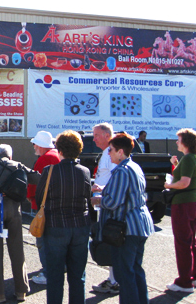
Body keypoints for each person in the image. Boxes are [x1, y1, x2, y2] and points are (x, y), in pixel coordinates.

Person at [92, 133, 154, 304]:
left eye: (111, 150)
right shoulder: (134, 166)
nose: (109, 153)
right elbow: (127, 191)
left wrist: (98, 199)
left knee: (124, 273)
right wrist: (104, 188)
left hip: (126, 228)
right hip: (139, 225)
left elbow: (113, 201)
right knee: (135, 269)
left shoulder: (121, 171)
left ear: (120, 152)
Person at [0, 144, 40, 303]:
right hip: (14, 208)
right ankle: (21, 290)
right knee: (17, 250)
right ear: (10, 156)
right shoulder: (17, 165)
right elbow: (36, 177)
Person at [36, 130, 91, 304]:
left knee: (55, 276)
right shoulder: (85, 172)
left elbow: (40, 199)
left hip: (56, 226)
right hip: (80, 226)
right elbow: (88, 197)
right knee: (77, 277)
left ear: (59, 149)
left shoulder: (50, 170)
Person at [164, 128, 196, 293]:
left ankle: (184, 282)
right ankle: (194, 276)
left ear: (185, 142)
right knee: (191, 240)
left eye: (178, 139)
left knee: (182, 243)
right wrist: (176, 165)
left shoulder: (188, 159)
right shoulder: (195, 157)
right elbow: (189, 177)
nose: (176, 142)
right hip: (193, 201)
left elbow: (184, 182)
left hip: (183, 203)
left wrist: (168, 185)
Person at [26, 130, 60, 286]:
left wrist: (30, 197)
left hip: (42, 206)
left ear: (40, 145)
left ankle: (47, 272)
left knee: (42, 240)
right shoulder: (57, 156)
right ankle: (57, 268)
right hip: (56, 205)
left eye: (35, 143)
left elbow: (34, 184)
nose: (33, 146)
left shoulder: (44, 159)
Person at [91, 122, 120, 295]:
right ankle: (113, 279)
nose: (93, 139)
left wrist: (102, 196)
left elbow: (116, 180)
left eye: (96, 135)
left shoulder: (111, 155)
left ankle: (115, 281)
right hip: (105, 204)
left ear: (107, 136)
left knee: (112, 242)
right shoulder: (106, 154)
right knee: (109, 242)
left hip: (110, 206)